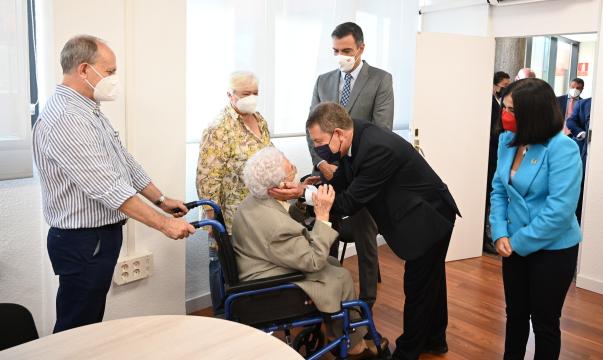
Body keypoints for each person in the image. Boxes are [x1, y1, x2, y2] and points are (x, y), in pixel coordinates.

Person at [272, 102, 460, 360]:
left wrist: (304, 193)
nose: (317, 148)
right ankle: (436, 340)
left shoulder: (376, 149)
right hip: (421, 210)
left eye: (318, 141)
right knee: (432, 281)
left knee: (418, 286)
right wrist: (318, 185)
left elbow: (349, 202)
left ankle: (407, 352)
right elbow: (345, 178)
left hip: (428, 216)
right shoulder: (355, 135)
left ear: (338, 133)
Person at [32, 35, 195, 333]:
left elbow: (123, 161)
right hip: (82, 241)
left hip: (98, 237)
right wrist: (163, 224)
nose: (114, 79)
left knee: (89, 320)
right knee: (76, 327)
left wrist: (160, 199)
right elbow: (108, 187)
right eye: (109, 72)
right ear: (83, 70)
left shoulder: (87, 109)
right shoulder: (66, 118)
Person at [232, 147, 388, 359]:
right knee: (339, 275)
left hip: (262, 265)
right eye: (291, 173)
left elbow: (288, 224)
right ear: (278, 187)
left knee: (332, 262)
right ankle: (351, 345)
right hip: (272, 285)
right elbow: (313, 260)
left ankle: (343, 332)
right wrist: (322, 215)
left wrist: (299, 201)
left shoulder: (253, 202)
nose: (295, 175)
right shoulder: (275, 226)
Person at [490, 78, 582, 359]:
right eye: (504, 107)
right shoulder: (507, 140)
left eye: (512, 110)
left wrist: (516, 241)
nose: (505, 115)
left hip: (553, 249)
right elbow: (497, 189)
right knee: (515, 315)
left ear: (534, 112)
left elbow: (559, 211)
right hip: (513, 244)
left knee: (544, 324)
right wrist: (499, 232)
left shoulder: (561, 148)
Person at [307, 21, 394, 308]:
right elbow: (311, 128)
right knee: (324, 228)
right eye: (335, 50)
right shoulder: (323, 81)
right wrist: (321, 164)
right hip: (326, 172)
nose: (341, 55)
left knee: (365, 233)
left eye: (346, 50)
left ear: (361, 48)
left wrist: (345, 169)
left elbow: (381, 131)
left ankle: (366, 300)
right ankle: (326, 285)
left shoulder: (380, 79)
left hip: (361, 174)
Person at [196, 71, 272, 314]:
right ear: (230, 95)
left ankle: (250, 312)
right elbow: (208, 176)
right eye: (245, 93)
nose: (251, 98)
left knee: (252, 265)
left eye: (255, 93)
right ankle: (222, 315)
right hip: (229, 216)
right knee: (221, 266)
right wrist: (211, 219)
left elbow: (268, 156)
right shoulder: (219, 127)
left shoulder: (259, 120)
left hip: (259, 210)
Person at [485, 71, 511, 254]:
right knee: (490, 195)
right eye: (504, 85)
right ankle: (486, 237)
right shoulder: (489, 103)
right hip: (490, 154)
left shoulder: (561, 148)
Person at [566, 97, 591, 224]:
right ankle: (576, 217)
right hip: (582, 151)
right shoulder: (583, 104)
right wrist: (580, 132)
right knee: (579, 183)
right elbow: (570, 121)